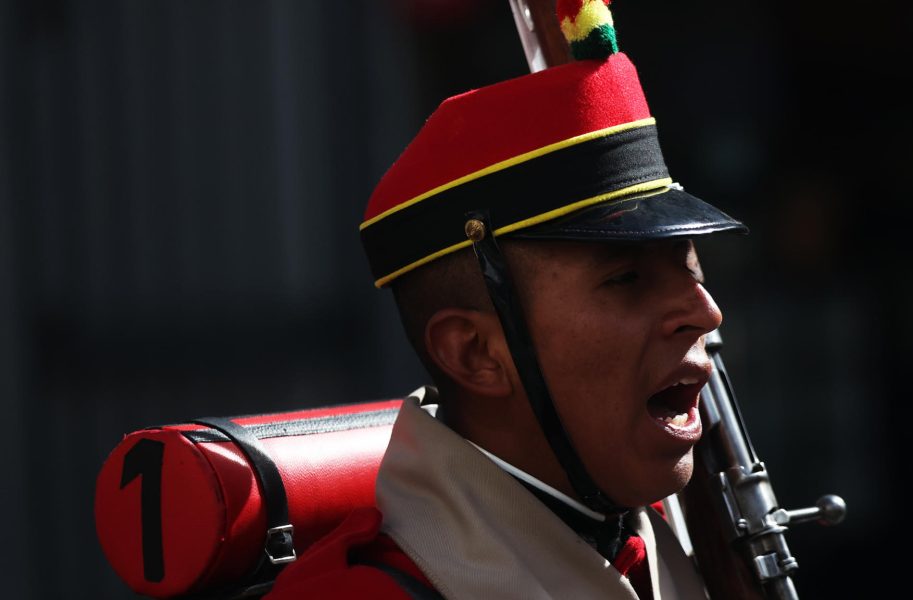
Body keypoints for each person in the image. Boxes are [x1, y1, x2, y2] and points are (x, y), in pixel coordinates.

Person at [266, 2, 745, 598]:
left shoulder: (656, 537)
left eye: (691, 269)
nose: (705, 313)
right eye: (627, 279)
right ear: (474, 353)